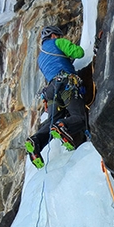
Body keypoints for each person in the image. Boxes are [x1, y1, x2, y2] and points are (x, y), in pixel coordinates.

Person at [25, 25, 88, 168]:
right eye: (58, 36)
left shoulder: (40, 58)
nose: (59, 38)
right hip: (66, 84)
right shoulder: (58, 43)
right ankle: (63, 127)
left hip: (51, 91)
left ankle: (36, 142)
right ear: (53, 35)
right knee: (79, 117)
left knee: (53, 120)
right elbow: (79, 53)